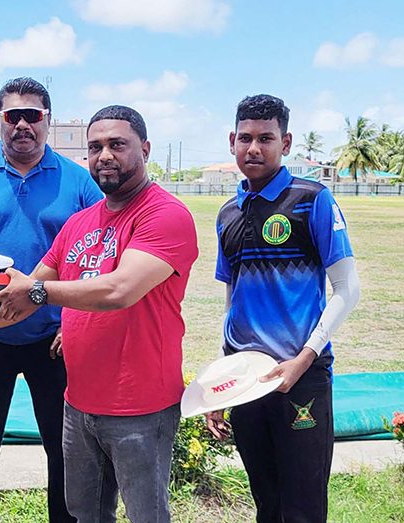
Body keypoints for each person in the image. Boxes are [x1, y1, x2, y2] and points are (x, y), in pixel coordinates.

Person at [0, 105, 198, 523]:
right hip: (79, 402)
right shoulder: (79, 223)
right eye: (95, 147)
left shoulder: (165, 215)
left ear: (145, 149)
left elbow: (118, 290)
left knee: (146, 515)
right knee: (83, 514)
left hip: (139, 404)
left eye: (117, 144)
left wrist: (38, 291)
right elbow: (18, 301)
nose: (105, 156)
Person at [0, 77, 102, 522]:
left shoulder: (79, 182)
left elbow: (100, 257)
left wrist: (74, 323)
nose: (23, 125)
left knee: (65, 449)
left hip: (54, 339)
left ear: (47, 121)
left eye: (33, 116)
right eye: (13, 116)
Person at [205, 94, 360, 523]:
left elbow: (348, 289)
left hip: (301, 376)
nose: (254, 148)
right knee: (266, 502)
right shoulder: (228, 213)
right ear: (232, 141)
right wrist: (222, 380)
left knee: (304, 508)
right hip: (247, 380)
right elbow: (232, 299)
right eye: (246, 138)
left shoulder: (313, 199)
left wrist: (303, 359)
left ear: (286, 142)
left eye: (266, 138)